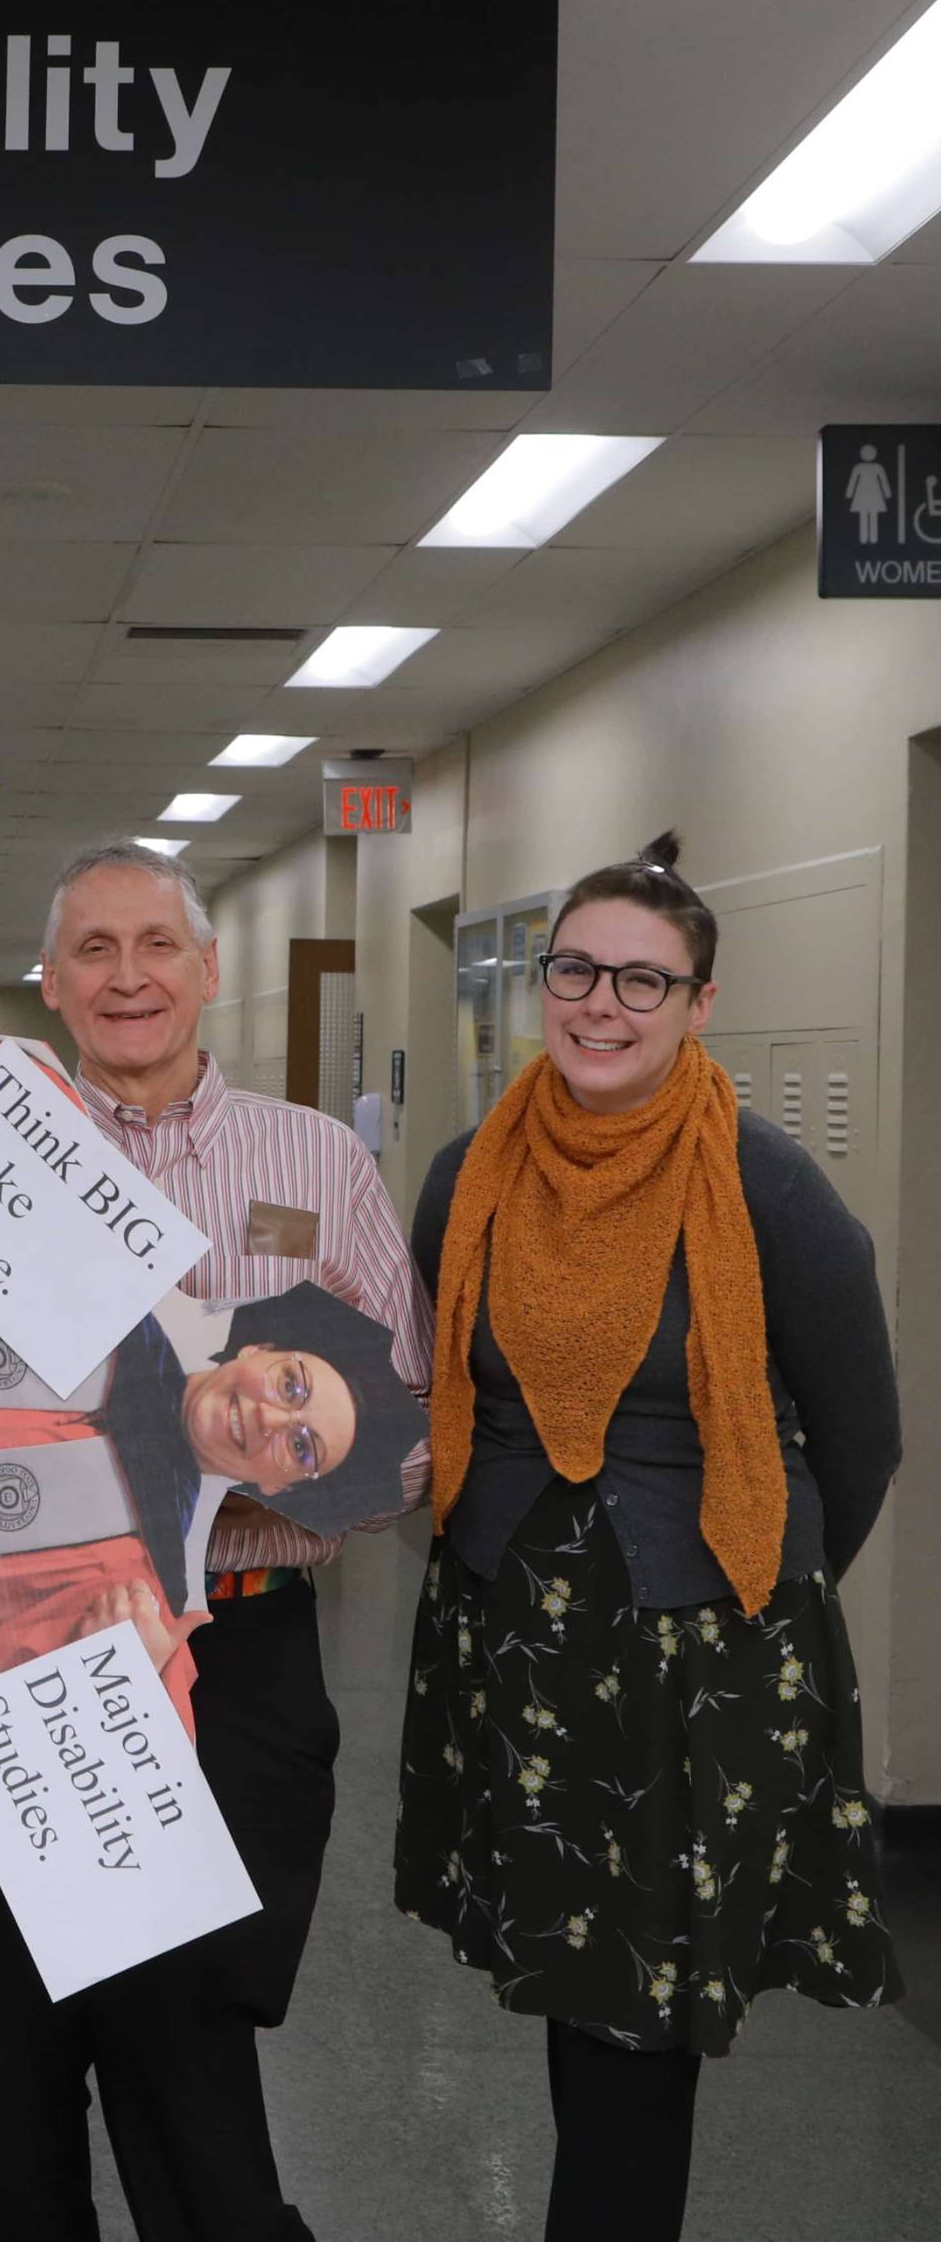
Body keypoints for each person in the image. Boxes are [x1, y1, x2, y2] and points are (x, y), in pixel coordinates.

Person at [395, 832, 903, 2242]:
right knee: (581, 1993)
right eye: (575, 969)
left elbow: (858, 1442)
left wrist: (749, 1590)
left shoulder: (763, 1179)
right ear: (539, 980)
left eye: (642, 978)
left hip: (700, 1657)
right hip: (514, 1647)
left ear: (698, 1001)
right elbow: (444, 1388)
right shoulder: (469, 1171)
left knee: (639, 2014)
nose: (600, 1003)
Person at [0, 838, 434, 2242]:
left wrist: (241, 1483)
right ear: (50, 981)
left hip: (236, 1659)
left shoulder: (315, 1163)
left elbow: (407, 1431)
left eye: (157, 944)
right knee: (11, 2075)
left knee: (192, 2080)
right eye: (93, 948)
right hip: (19, 1662)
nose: (128, 975)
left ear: (209, 971)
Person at [100, 1281, 431, 1618]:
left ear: (275, 1489)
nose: (267, 1416)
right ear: (255, 1349)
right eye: (289, 1385)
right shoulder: (111, 1324)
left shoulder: (146, 1566)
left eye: (300, 1447)